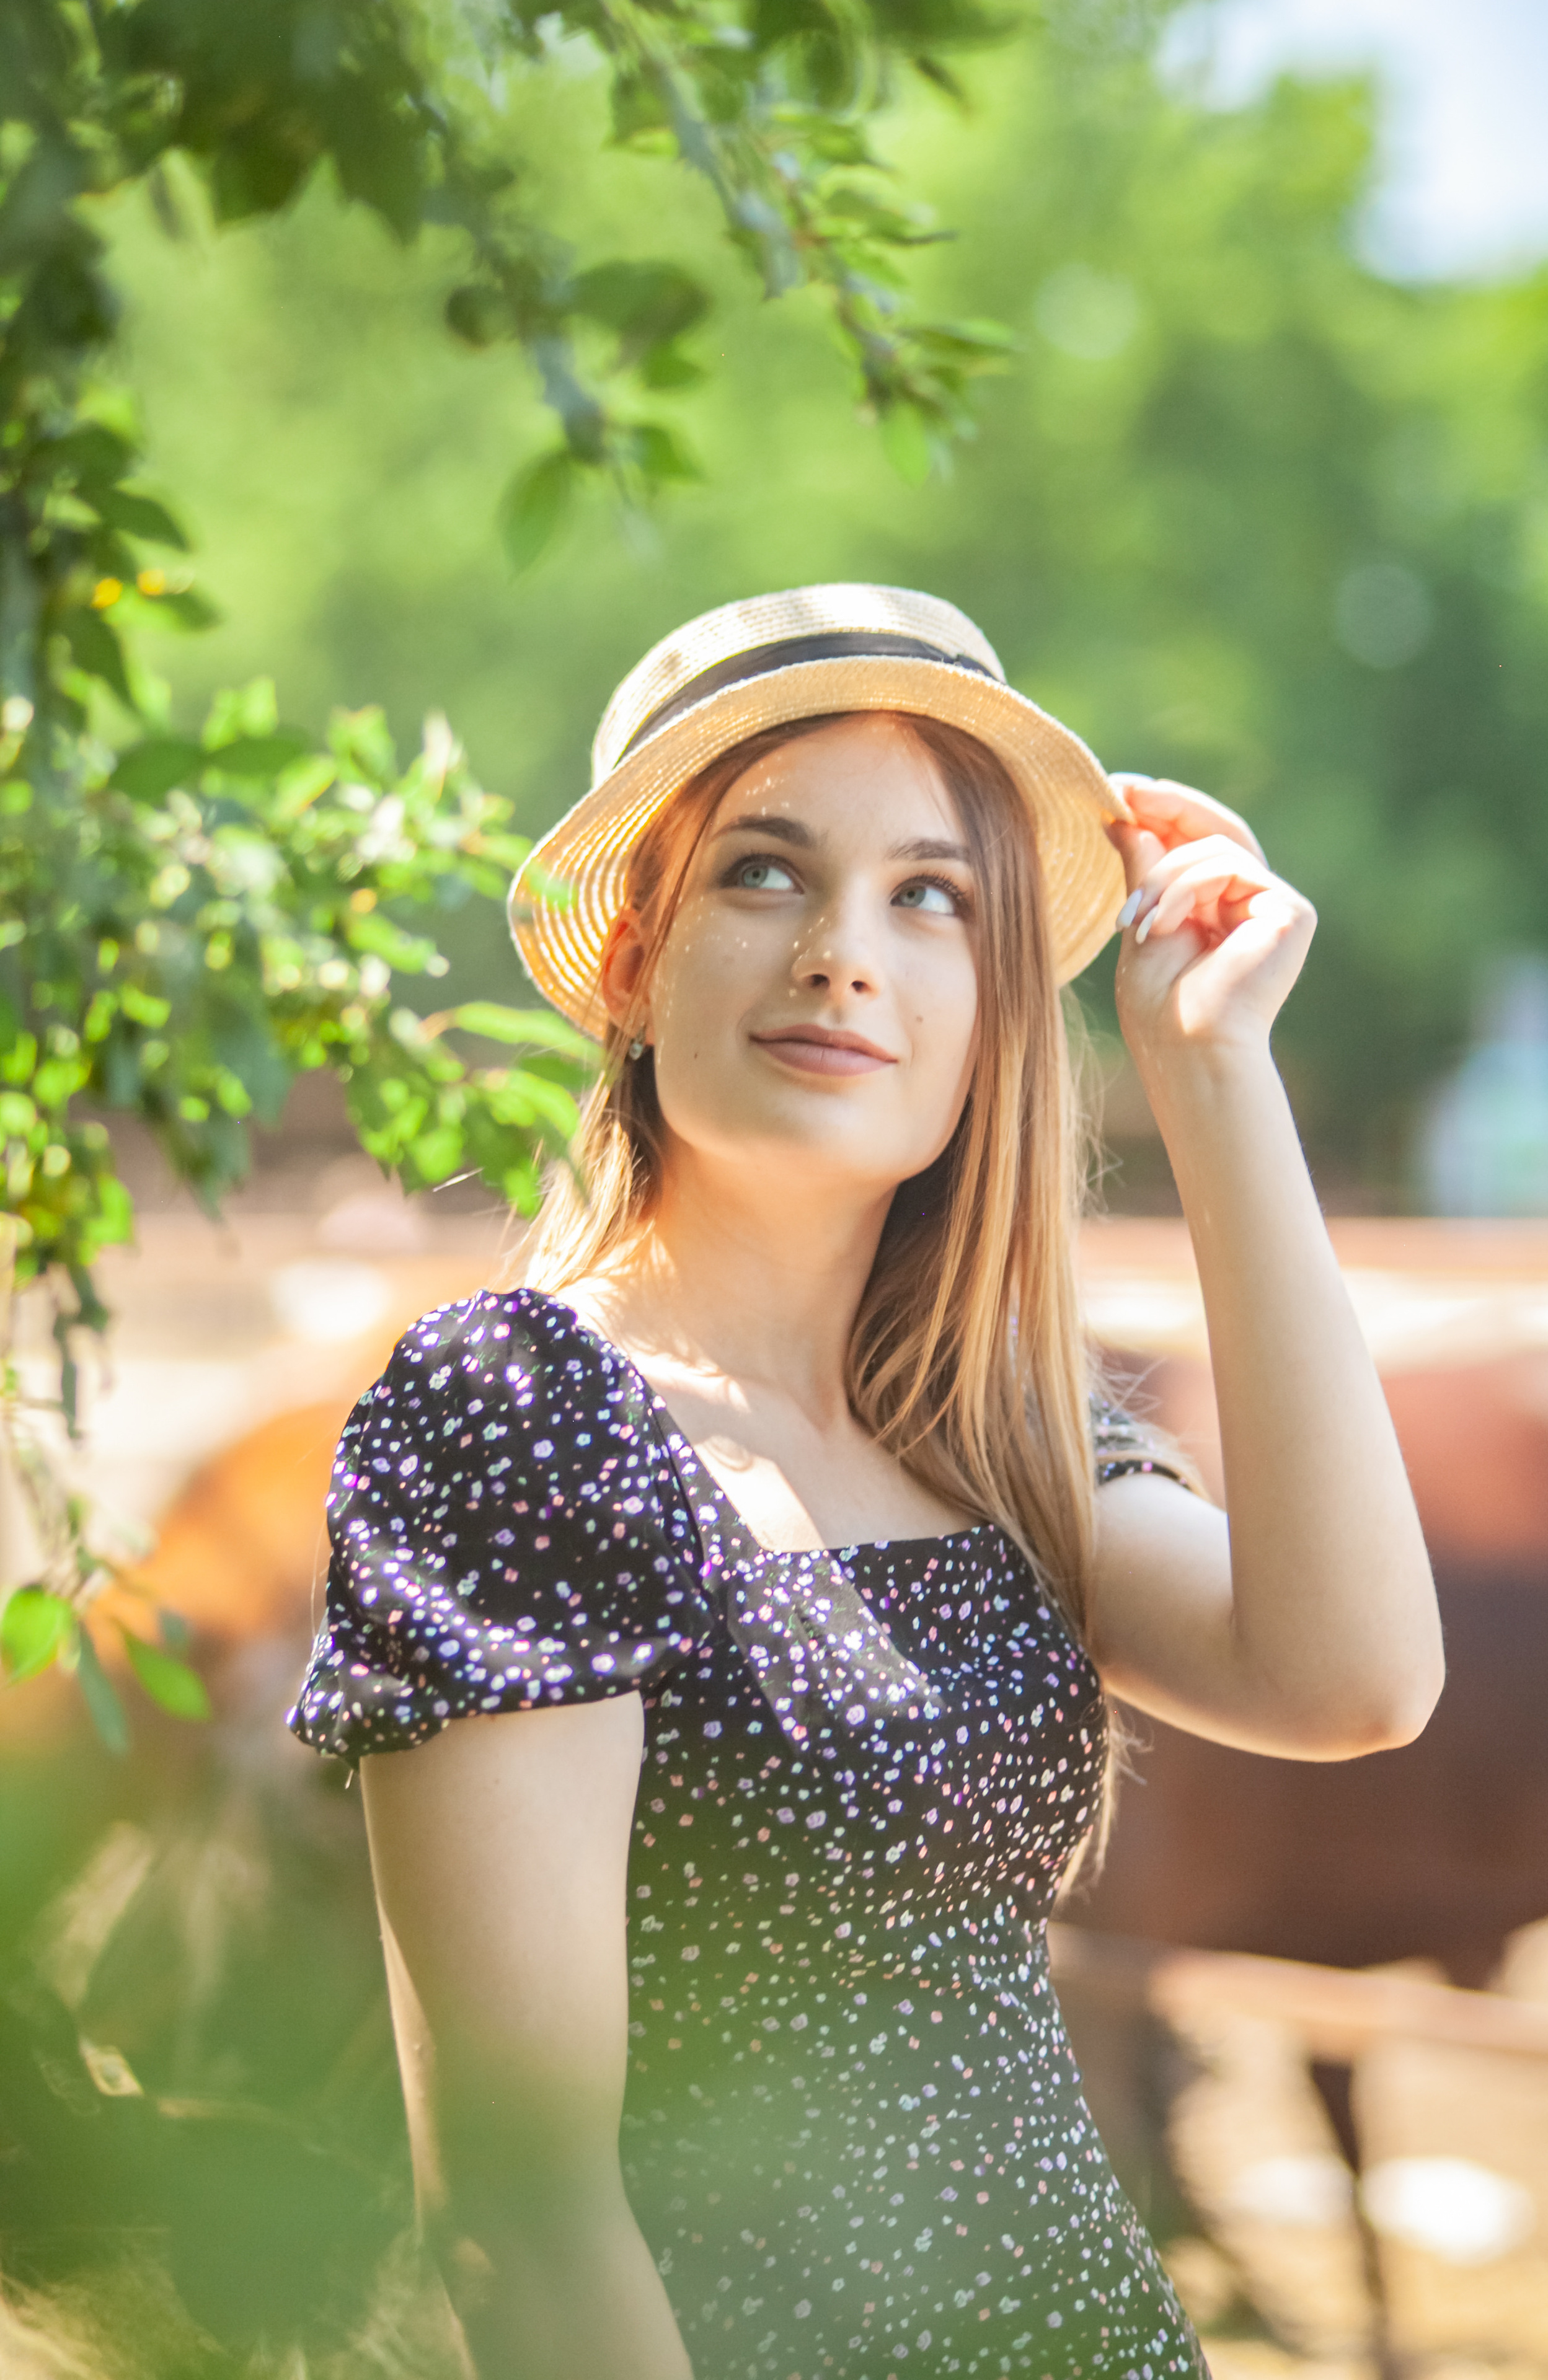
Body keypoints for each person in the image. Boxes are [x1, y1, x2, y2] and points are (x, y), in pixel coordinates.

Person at [288, 585, 1444, 2380]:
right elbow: (520, 2213)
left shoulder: (976, 1431)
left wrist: (1216, 1073)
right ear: (630, 958)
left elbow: (1353, 1676)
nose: (847, 951)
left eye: (933, 897)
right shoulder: (523, 1415)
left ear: (991, 1004)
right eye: (766, 872)